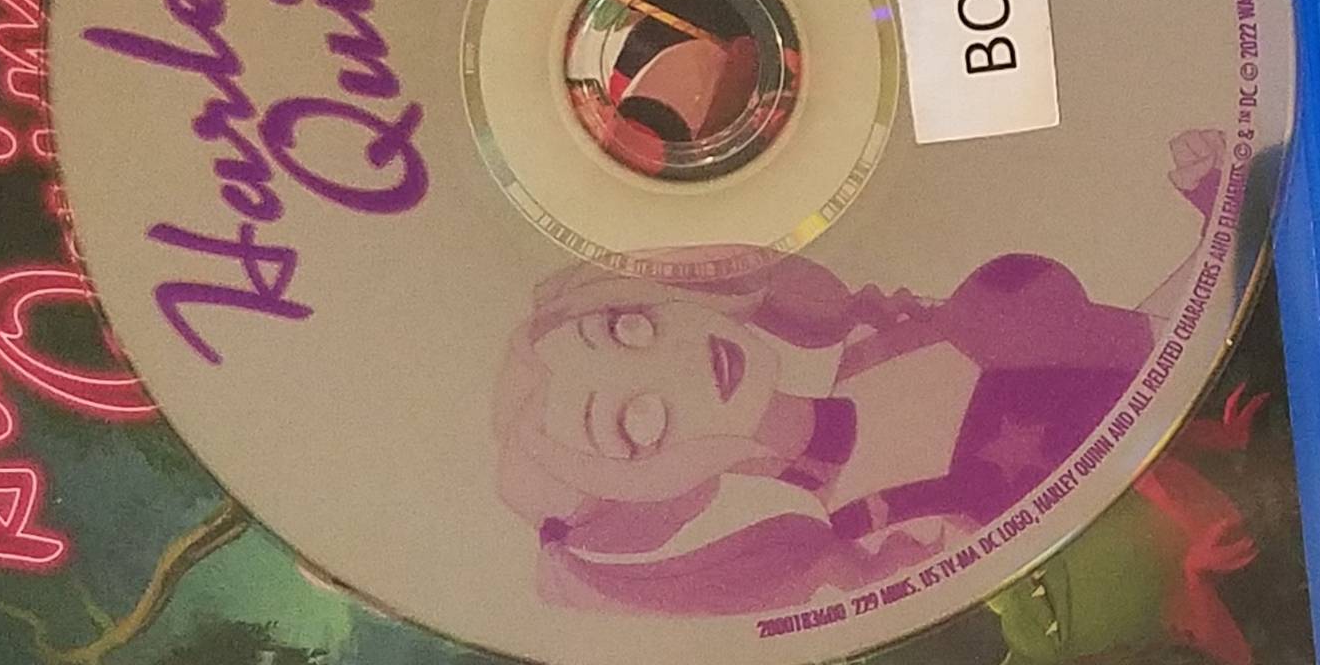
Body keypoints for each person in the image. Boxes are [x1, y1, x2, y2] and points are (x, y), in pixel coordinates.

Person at [491, 131, 1225, 615]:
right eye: (633, 422)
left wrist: (1220, 225)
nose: (675, 367)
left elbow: (1148, 349)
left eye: (625, 327)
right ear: (655, 495)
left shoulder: (877, 344)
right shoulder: (878, 537)